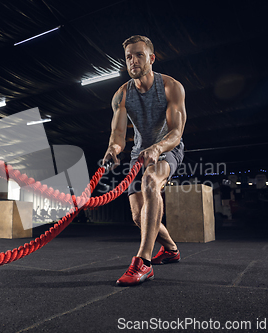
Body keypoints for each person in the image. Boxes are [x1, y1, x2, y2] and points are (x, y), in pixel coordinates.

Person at [102, 35, 186, 286]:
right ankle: (171, 250)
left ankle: (144, 262)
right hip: (138, 154)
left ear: (151, 58)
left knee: (151, 180)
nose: (133, 60)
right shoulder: (121, 95)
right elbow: (118, 137)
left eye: (139, 55)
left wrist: (157, 148)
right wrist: (112, 150)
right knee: (139, 217)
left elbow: (176, 132)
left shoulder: (171, 87)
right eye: (129, 56)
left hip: (167, 149)